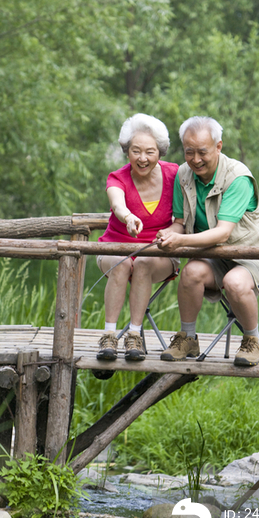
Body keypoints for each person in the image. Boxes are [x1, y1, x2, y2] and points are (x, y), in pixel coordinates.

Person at [157, 115, 259, 367]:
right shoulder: (183, 174)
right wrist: (169, 233)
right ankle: (188, 338)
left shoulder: (238, 177)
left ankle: (253, 342)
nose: (195, 159)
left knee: (234, 282)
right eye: (188, 151)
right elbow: (179, 221)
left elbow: (223, 232)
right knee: (191, 272)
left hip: (252, 254)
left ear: (218, 147)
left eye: (202, 152)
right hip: (216, 256)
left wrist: (180, 240)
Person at [96, 113, 180, 362]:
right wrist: (128, 218)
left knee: (142, 263)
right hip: (116, 248)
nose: (142, 158)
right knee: (123, 261)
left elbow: (182, 221)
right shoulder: (117, 177)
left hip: (158, 253)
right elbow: (117, 204)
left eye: (150, 152)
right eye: (136, 151)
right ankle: (109, 336)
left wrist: (171, 233)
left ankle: (134, 335)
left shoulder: (175, 175)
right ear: (127, 151)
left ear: (160, 152)